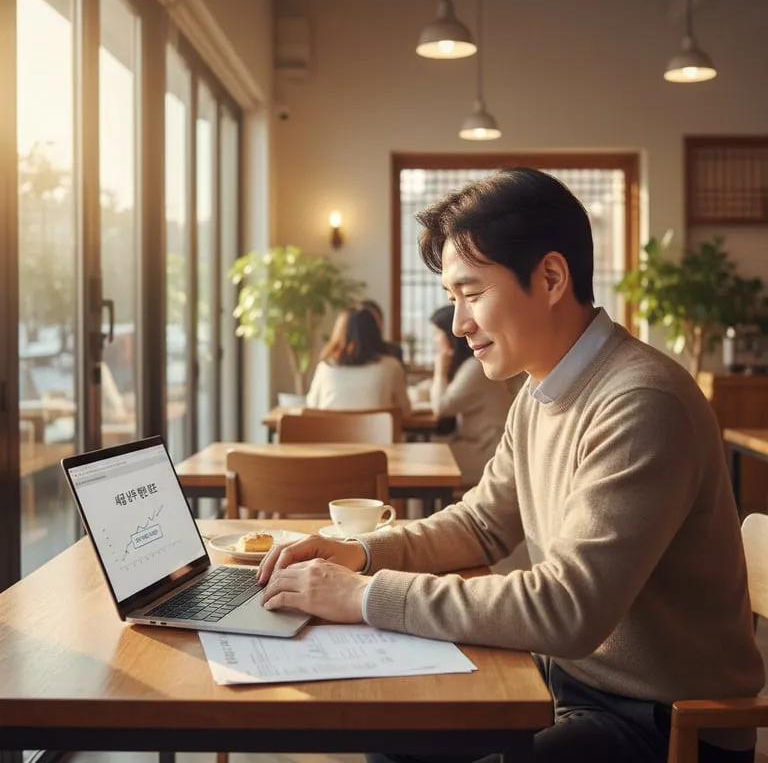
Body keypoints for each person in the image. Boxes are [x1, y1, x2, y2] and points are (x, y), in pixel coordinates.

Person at [258, 168, 764, 763]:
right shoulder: (541, 389)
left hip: (663, 726)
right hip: (570, 685)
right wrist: (364, 552)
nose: (458, 323)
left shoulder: (642, 402)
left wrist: (365, 596)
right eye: (452, 298)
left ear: (551, 277)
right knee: (393, 742)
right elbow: (481, 524)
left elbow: (566, 608)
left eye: (472, 294)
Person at [429, 303, 521, 485]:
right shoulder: (470, 366)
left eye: (437, 334)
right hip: (477, 445)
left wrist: (439, 369)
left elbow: (441, 407)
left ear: (449, 336)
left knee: (428, 460)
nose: (434, 340)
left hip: (485, 451)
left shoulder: (475, 368)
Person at [305, 306, 411, 415]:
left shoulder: (326, 367)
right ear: (376, 332)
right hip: (377, 431)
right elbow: (405, 412)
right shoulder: (391, 366)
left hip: (331, 431)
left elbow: (312, 406)